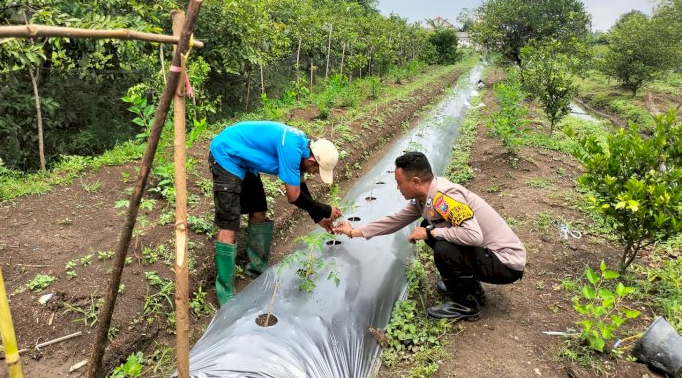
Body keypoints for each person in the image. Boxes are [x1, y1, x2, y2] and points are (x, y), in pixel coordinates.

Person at [335, 151, 525, 320]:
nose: (397, 188)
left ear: (416, 182)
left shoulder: (444, 198)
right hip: (489, 256)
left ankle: (466, 304)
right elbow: (395, 220)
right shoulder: (424, 199)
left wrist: (430, 232)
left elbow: (473, 235)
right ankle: (470, 287)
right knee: (430, 227)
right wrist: (353, 232)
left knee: (441, 244)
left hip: (506, 263)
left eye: (399, 183)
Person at [209, 121, 341, 305]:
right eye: (315, 170)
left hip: (246, 161)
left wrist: (319, 217)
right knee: (230, 225)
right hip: (227, 155)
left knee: (259, 211)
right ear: (311, 161)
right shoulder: (292, 150)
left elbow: (301, 187)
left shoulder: (303, 146)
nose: (314, 174)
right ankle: (225, 295)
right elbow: (294, 196)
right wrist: (326, 209)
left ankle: (256, 269)